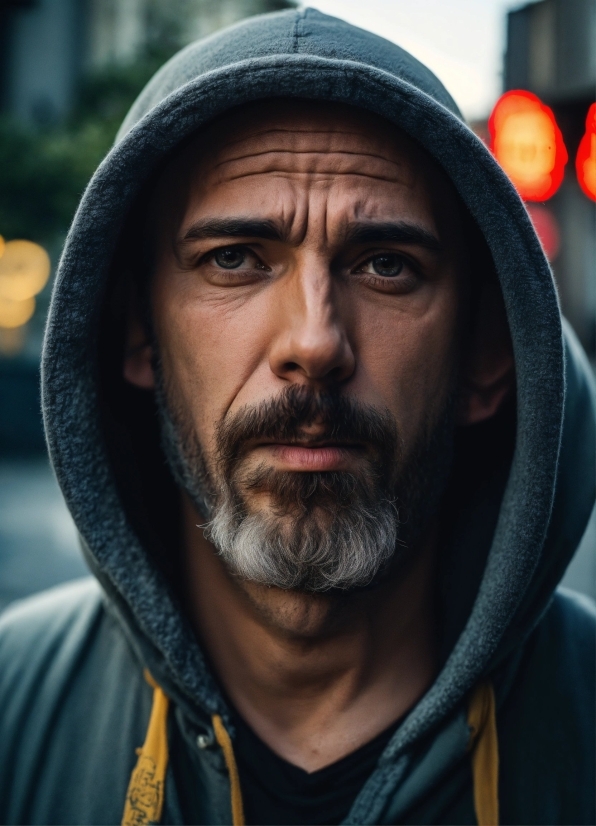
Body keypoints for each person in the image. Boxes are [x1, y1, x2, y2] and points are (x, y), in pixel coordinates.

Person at [0, 8, 594, 826]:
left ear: (487, 356)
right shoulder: (10, 708)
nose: (315, 343)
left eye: (387, 265)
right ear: (136, 334)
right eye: (234, 259)